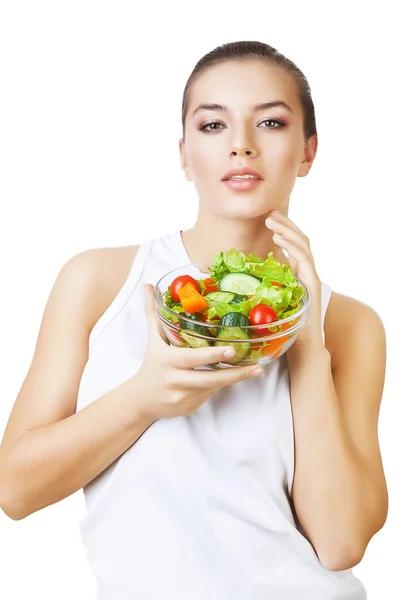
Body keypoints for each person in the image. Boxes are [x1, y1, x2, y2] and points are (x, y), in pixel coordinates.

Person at [0, 40, 387, 599]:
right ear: (183, 154)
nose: (241, 147)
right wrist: (145, 397)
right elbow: (14, 489)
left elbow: (341, 542)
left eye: (271, 123)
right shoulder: (102, 282)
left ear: (308, 152)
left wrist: (304, 338)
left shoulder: (351, 324)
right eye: (213, 126)